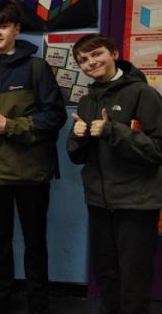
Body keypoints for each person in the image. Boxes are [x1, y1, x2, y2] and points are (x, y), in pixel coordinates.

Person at [0, 0, 67, 314]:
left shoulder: (36, 68)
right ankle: (1, 298)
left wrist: (10, 126)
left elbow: (55, 116)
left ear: (16, 29)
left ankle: (38, 301)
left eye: (3, 25)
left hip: (31, 173)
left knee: (34, 241)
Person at [67, 34, 162, 314]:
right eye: (83, 60)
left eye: (96, 54)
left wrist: (112, 131)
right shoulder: (87, 100)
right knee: (106, 273)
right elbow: (76, 157)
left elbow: (157, 150)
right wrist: (78, 137)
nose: (90, 62)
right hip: (99, 201)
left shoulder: (143, 94)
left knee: (134, 278)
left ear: (114, 54)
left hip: (136, 202)